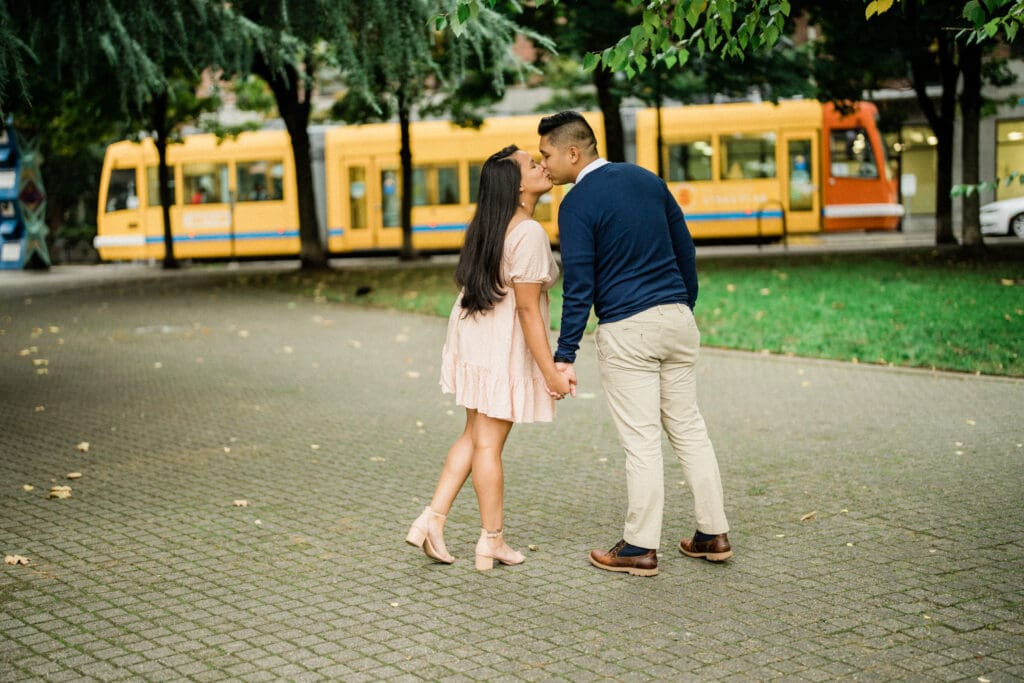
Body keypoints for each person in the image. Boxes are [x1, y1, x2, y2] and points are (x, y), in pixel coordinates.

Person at [537, 111, 731, 578]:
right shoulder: (648, 180)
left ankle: (639, 547)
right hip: (678, 320)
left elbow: (580, 282)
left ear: (573, 152)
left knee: (642, 440)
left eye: (546, 155)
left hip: (629, 330)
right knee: (688, 429)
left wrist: (564, 354)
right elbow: (685, 248)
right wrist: (683, 304)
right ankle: (713, 534)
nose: (544, 165)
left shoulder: (577, 202)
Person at [406, 145, 571, 571]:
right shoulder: (528, 233)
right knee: (488, 444)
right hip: (499, 343)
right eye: (532, 164)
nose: (542, 166)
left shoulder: (490, 226)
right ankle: (491, 540)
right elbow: (528, 310)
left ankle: (430, 520)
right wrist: (550, 372)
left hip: (474, 335)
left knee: (473, 435)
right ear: (516, 186)